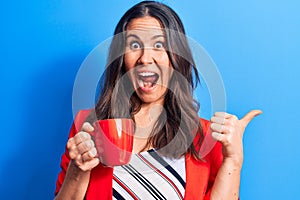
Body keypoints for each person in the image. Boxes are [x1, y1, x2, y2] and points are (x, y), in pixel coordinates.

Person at [54, 1, 261, 199]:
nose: (145, 58)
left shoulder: (205, 137)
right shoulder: (89, 124)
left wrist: (233, 161)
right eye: (134, 44)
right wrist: (77, 170)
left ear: (177, 57)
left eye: (159, 44)